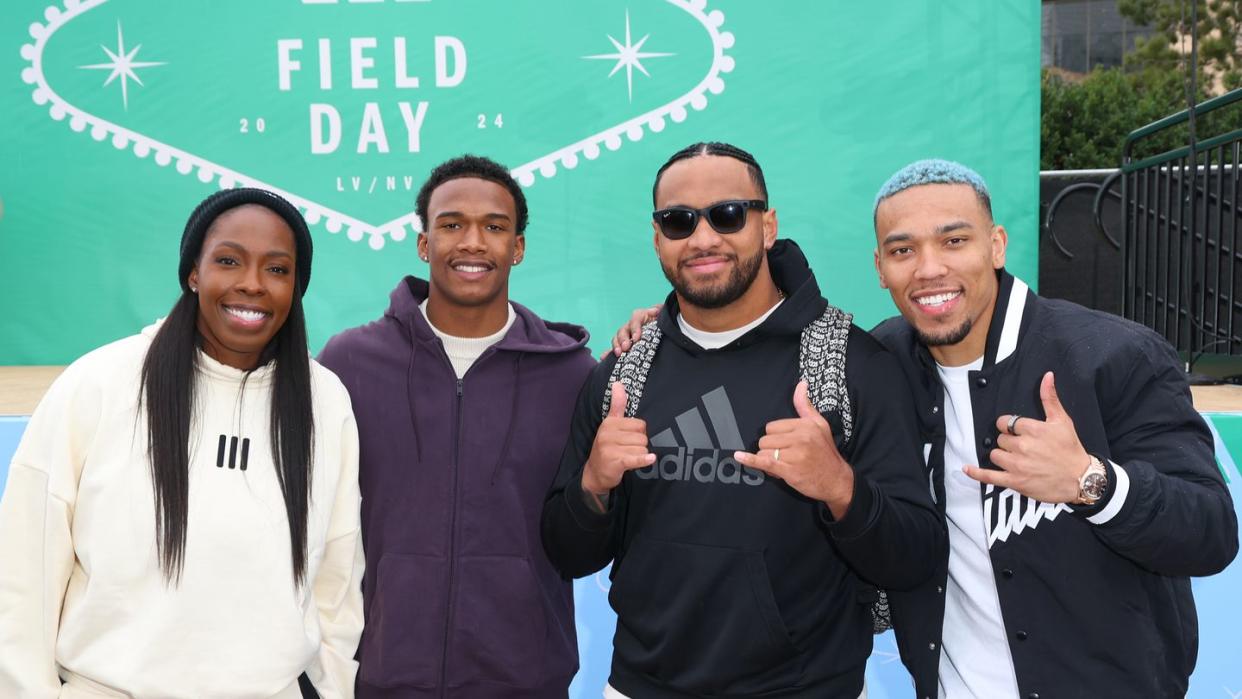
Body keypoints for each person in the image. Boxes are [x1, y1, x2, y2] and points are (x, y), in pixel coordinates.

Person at [541, 142, 944, 699]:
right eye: (679, 221)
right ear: (658, 238)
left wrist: (841, 489)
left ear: (767, 224)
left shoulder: (850, 364)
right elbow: (567, 553)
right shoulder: (624, 372)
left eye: (728, 214)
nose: (704, 238)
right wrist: (592, 487)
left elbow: (916, 557)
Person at [868, 159, 1238, 698]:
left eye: (953, 241)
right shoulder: (880, 365)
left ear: (996, 245)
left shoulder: (1115, 355)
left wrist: (1090, 481)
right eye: (903, 251)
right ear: (880, 267)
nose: (928, 269)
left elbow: (1211, 533)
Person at [0, 188, 364, 697]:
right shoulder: (101, 384)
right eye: (229, 261)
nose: (252, 284)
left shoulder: (325, 401)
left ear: (296, 286)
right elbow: (23, 577)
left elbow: (337, 584)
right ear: (194, 272)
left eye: (277, 270)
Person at [317, 155, 596, 698]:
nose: (473, 242)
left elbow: (585, 532)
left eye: (494, 227)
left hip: (525, 683)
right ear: (424, 244)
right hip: (378, 681)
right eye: (451, 225)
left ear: (517, 247)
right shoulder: (348, 362)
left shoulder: (570, 373)